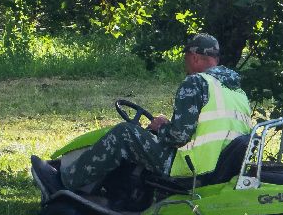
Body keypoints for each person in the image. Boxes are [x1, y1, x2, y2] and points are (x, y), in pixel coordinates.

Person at [30, 32, 251, 197]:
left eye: (185, 58)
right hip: (217, 169)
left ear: (193, 57)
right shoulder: (237, 92)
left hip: (189, 169)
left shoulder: (196, 83)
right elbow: (207, 131)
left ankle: (63, 182)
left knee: (124, 134)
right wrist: (168, 126)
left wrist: (160, 127)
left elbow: (179, 137)